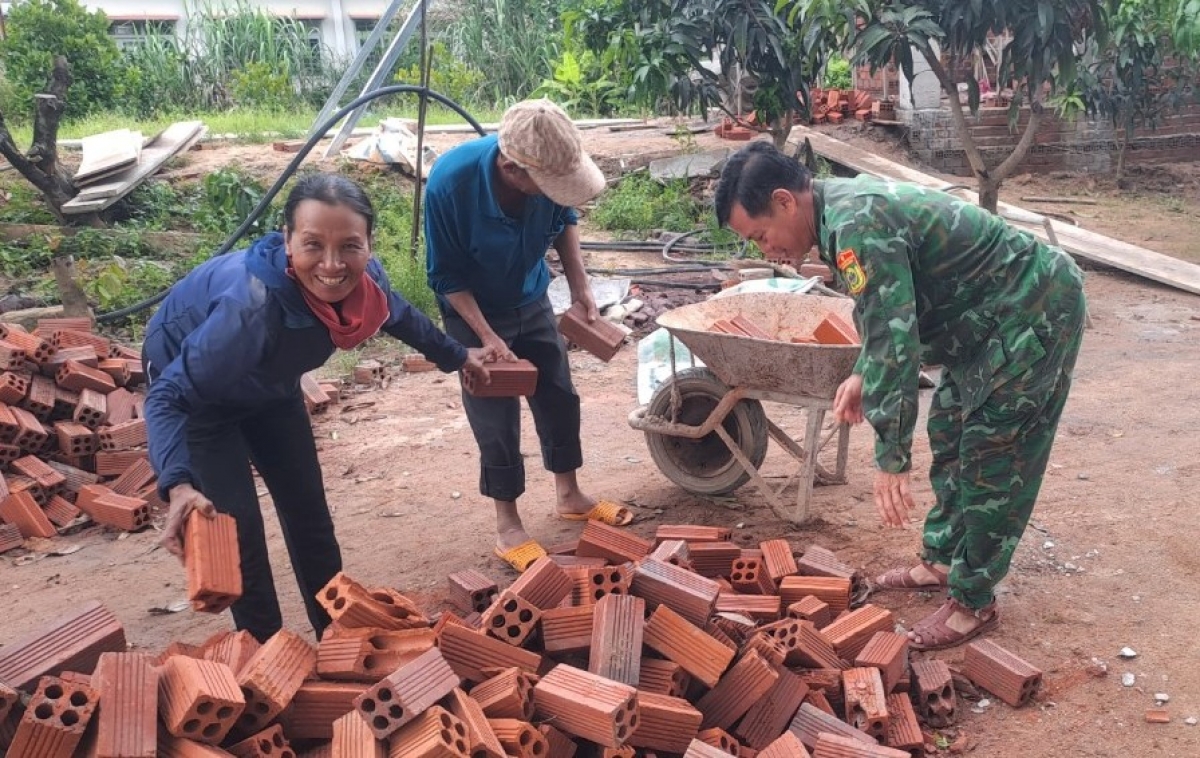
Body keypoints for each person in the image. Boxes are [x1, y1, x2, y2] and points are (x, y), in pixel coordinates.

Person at [714, 141, 1086, 650]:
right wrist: (864, 371)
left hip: (1032, 309)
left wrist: (891, 456)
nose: (765, 250)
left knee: (993, 455)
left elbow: (896, 341)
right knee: (950, 430)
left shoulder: (856, 225)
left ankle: (973, 599)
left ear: (784, 201)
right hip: (981, 322)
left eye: (760, 236)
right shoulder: (837, 216)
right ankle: (941, 559)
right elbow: (886, 313)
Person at [144, 173, 494, 642]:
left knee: (308, 511)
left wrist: (457, 355)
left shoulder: (367, 284)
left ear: (369, 244)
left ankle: (335, 633)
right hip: (200, 398)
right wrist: (178, 483)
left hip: (269, 386)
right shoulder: (251, 310)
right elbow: (167, 396)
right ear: (287, 241)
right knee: (236, 528)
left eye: (350, 246)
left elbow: (400, 315)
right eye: (312, 245)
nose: (331, 265)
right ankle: (268, 654)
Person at [424, 98, 629, 573]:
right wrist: (486, 337)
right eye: (547, 185)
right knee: (495, 414)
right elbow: (446, 277)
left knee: (558, 390)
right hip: (471, 308)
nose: (554, 193)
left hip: (531, 295)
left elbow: (565, 221)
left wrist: (579, 286)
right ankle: (508, 523)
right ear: (513, 168)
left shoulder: (547, 180)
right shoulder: (450, 186)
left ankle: (570, 494)